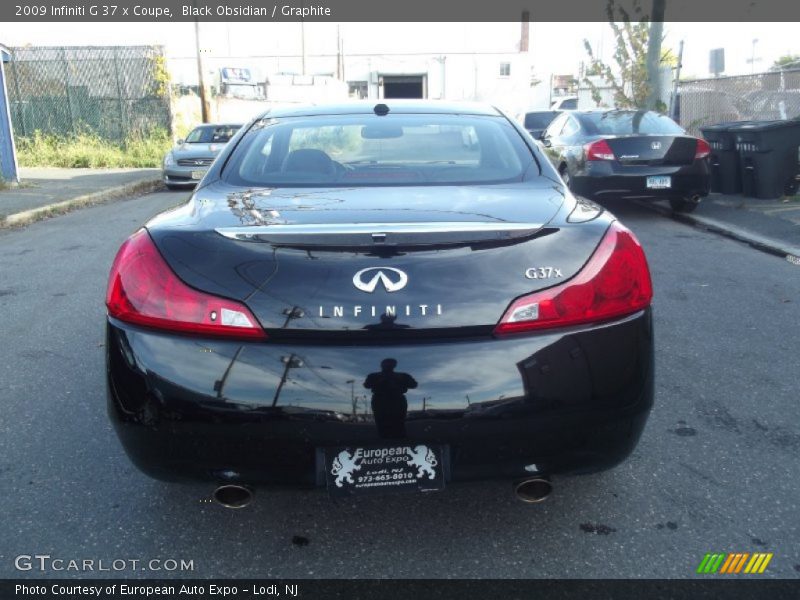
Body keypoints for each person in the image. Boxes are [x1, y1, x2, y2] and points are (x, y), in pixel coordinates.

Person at [363, 358, 417, 438]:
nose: (388, 366)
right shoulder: (374, 376)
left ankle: (400, 442)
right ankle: (384, 441)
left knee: (399, 423)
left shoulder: (402, 376)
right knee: (381, 422)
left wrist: (399, 380)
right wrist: (381, 380)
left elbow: (414, 384)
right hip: (380, 400)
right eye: (386, 364)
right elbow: (367, 385)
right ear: (382, 365)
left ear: (394, 365)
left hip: (397, 400)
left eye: (390, 364)